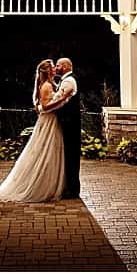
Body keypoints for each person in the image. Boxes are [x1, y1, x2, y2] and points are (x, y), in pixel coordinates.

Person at [0, 60, 66, 202]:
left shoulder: (50, 84)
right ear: (48, 71)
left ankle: (49, 184)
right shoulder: (46, 86)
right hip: (48, 121)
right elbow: (46, 106)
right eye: (52, 67)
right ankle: (40, 186)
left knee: (50, 153)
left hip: (51, 120)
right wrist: (63, 99)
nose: (55, 68)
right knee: (44, 152)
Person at [39, 57, 81, 199]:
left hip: (70, 124)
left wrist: (43, 108)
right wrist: (43, 107)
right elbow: (55, 101)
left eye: (58, 65)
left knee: (71, 156)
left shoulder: (69, 81)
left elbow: (58, 102)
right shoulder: (59, 82)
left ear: (65, 67)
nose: (56, 68)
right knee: (68, 155)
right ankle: (69, 186)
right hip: (63, 122)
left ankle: (72, 189)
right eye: (54, 66)